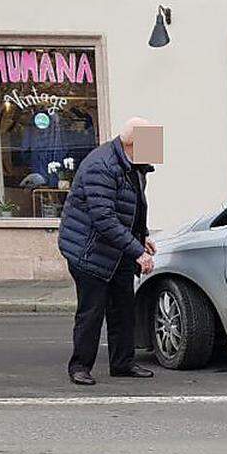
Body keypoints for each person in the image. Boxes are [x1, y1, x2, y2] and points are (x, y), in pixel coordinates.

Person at [57, 118, 158, 385]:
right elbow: (104, 219)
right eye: (149, 140)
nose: (154, 147)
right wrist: (137, 251)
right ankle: (79, 366)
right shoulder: (100, 166)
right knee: (91, 312)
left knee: (124, 308)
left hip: (117, 250)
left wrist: (142, 235)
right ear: (132, 143)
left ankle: (123, 363)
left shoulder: (135, 165)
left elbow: (134, 205)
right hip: (89, 251)